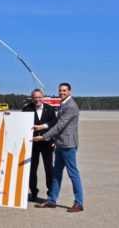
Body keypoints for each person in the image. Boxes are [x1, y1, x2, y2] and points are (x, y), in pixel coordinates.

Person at [34, 83, 84, 212]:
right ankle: (52, 200)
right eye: (60, 90)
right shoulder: (63, 104)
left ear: (70, 92)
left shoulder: (71, 106)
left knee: (73, 174)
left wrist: (44, 137)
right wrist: (49, 135)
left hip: (68, 145)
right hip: (60, 144)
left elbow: (59, 126)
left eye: (64, 90)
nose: (61, 92)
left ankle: (79, 203)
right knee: (56, 174)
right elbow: (58, 124)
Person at [23, 88, 57, 202]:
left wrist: (53, 140)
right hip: (32, 143)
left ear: (42, 97)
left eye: (39, 97)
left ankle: (50, 193)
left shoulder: (50, 109)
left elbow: (55, 124)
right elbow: (20, 122)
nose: (37, 99)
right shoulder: (27, 109)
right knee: (32, 169)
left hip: (47, 142)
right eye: (35, 97)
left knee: (49, 169)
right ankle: (33, 192)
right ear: (31, 98)